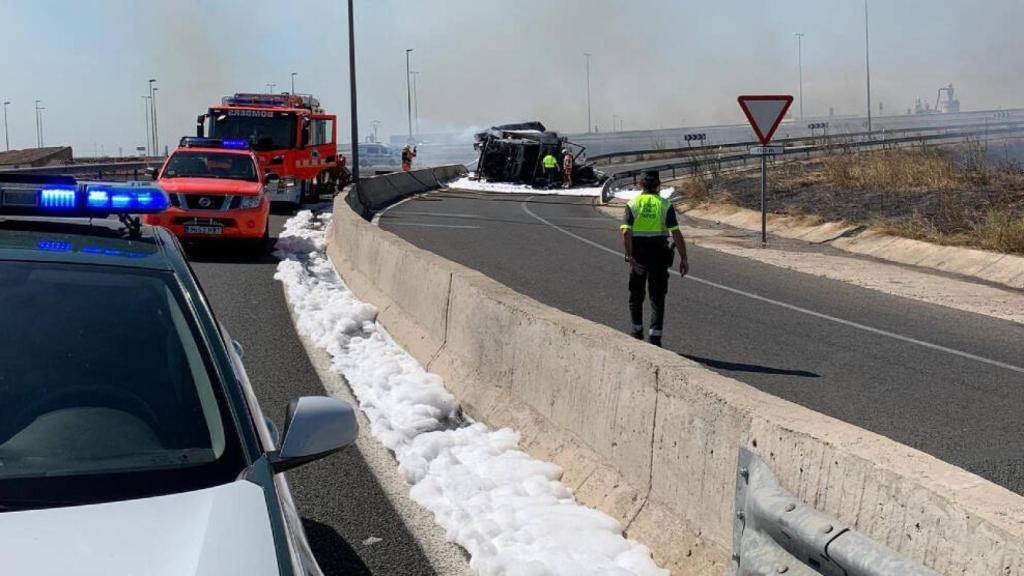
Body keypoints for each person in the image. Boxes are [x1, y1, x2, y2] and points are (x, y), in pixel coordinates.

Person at [620, 170, 689, 347]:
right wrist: (684, 258)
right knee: (657, 297)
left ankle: (636, 332)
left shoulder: (633, 203)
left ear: (641, 185)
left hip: (639, 255)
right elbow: (676, 233)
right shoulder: (665, 204)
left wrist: (629, 256)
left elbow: (626, 231)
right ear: (658, 185)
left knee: (636, 295)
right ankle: (655, 337)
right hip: (659, 255)